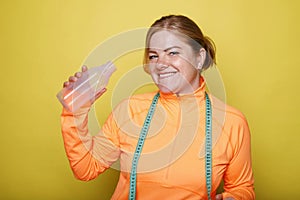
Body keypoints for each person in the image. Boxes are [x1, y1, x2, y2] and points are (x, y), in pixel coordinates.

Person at [60, 15, 255, 200]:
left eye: (173, 53)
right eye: (153, 56)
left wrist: (235, 197)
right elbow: (86, 168)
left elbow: (242, 187)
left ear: (199, 57)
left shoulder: (232, 122)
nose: (160, 64)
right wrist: (74, 111)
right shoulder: (130, 110)